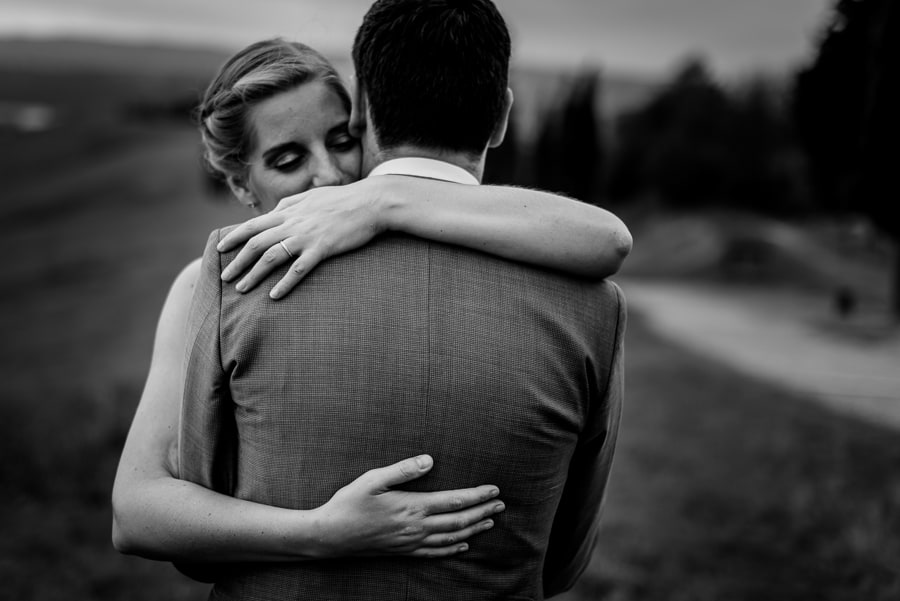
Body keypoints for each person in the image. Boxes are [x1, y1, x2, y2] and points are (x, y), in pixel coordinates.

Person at [112, 35, 631, 570]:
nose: (331, 175)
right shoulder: (210, 283)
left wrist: (384, 200)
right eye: (290, 159)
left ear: (365, 127)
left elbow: (606, 239)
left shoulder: (402, 214)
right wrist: (320, 533)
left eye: (341, 140)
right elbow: (136, 513)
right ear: (243, 185)